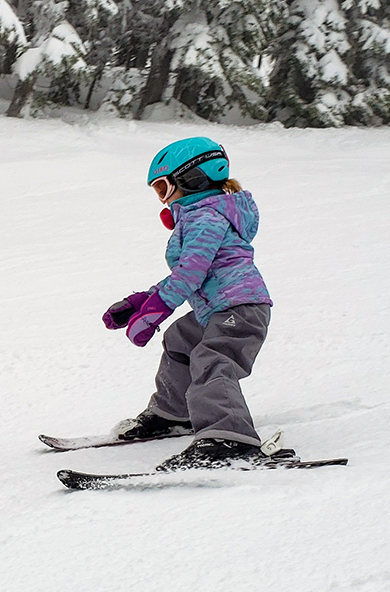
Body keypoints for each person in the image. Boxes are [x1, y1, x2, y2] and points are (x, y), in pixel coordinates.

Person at [102, 136, 296, 470]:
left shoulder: (206, 218)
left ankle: (229, 438)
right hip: (218, 308)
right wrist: (142, 301)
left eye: (163, 188)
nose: (161, 199)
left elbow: (190, 272)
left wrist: (157, 309)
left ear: (193, 179)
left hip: (240, 308)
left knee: (213, 357)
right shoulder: (198, 216)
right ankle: (173, 412)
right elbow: (187, 272)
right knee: (180, 340)